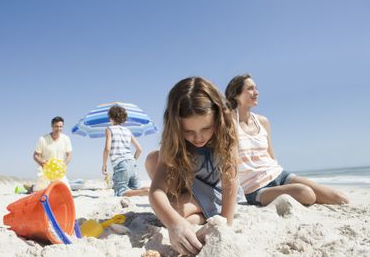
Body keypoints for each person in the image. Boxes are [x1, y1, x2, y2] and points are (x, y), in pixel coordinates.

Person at [224, 74, 349, 206]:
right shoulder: (228, 123)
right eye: (250, 88)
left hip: (279, 175)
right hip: (255, 188)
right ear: (235, 95)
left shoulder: (263, 121)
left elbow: (270, 155)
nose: (256, 92)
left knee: (340, 198)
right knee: (306, 194)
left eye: (256, 88)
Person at [148, 77, 239, 256]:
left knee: (174, 210)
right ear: (176, 126)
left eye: (206, 128)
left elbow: (230, 179)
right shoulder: (172, 138)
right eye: (188, 131)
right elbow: (156, 190)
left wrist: (225, 224)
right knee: (153, 159)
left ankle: (200, 212)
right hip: (190, 183)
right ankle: (199, 213)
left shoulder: (228, 128)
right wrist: (174, 224)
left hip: (216, 189)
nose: (198, 138)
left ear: (218, 118)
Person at [102, 105, 149, 197]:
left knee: (121, 191)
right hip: (132, 163)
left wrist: (104, 165)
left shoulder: (109, 129)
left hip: (120, 163)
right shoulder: (127, 130)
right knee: (135, 189)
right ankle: (150, 189)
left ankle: (145, 191)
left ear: (111, 118)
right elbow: (139, 149)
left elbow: (107, 149)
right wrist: (133, 161)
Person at [33, 116, 72, 191]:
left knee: (66, 190)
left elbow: (69, 154)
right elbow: (35, 155)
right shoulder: (43, 139)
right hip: (45, 171)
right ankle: (33, 187)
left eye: (61, 126)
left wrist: (64, 164)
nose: (58, 129)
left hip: (59, 171)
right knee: (39, 191)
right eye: (56, 126)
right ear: (52, 126)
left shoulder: (66, 139)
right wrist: (42, 162)